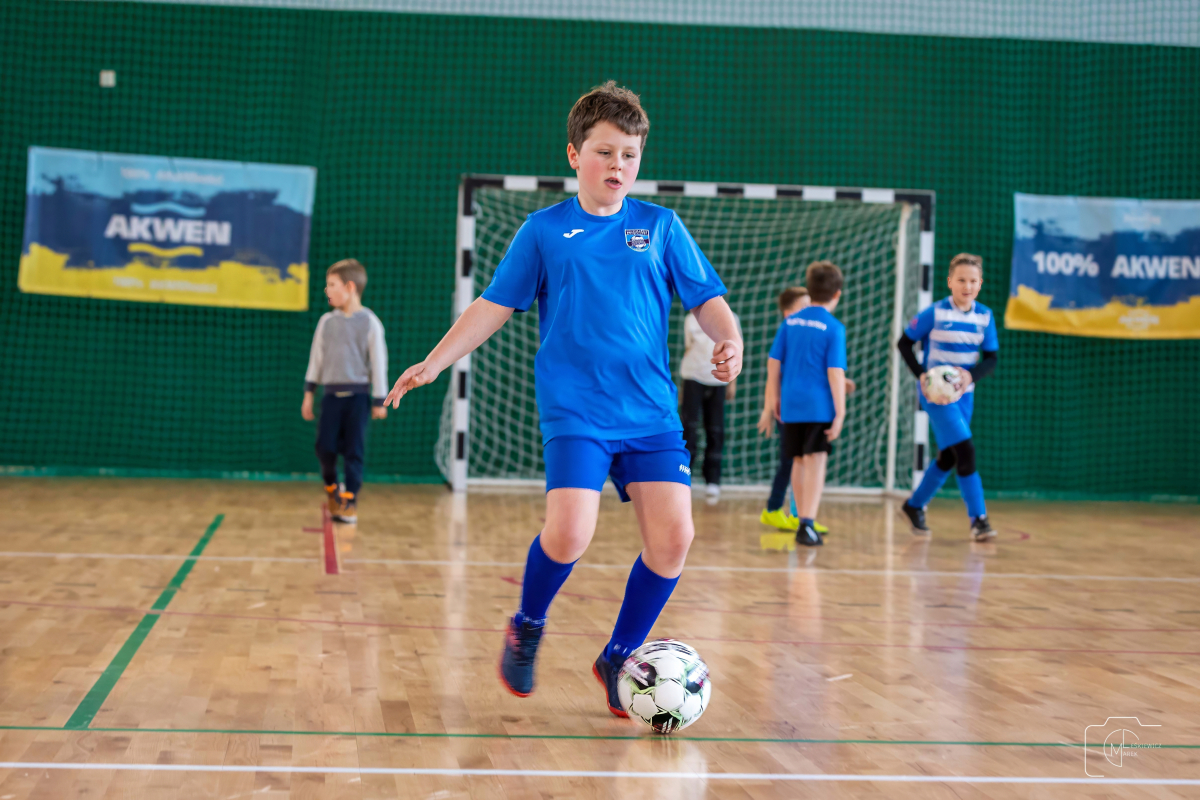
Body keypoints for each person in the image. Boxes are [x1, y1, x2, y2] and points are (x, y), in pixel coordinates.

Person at [383, 82, 742, 715]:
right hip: (576, 410)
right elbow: (494, 304)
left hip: (650, 412)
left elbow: (706, 298)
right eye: (605, 152)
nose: (618, 166)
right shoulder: (543, 231)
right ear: (575, 154)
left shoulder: (660, 227)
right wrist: (435, 362)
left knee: (674, 539)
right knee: (571, 531)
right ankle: (527, 624)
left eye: (629, 155)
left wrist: (729, 338)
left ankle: (619, 655)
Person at [897, 253, 999, 542]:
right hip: (936, 396)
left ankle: (914, 505)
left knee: (949, 456)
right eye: (961, 280)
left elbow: (991, 358)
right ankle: (979, 519)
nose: (967, 286)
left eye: (973, 281)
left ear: (980, 284)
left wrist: (970, 377)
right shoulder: (935, 313)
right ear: (949, 282)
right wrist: (921, 375)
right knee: (966, 452)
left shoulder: (985, 316)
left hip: (965, 396)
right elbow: (904, 343)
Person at [757, 262, 847, 547]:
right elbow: (835, 373)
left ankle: (800, 523)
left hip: (790, 404)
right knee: (816, 461)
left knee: (797, 460)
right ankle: (807, 522)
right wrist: (841, 411)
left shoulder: (790, 322)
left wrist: (773, 400)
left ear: (810, 289)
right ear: (837, 294)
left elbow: (773, 364)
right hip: (818, 406)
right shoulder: (834, 327)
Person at [302, 259, 389, 524]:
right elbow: (316, 359)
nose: (327, 290)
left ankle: (350, 501)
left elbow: (378, 363)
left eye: (332, 285)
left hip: (358, 399)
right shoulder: (326, 322)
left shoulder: (370, 322)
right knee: (324, 448)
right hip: (330, 397)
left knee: (354, 450)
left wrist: (380, 399)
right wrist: (308, 394)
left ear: (350, 287)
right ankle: (333, 489)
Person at [680, 309, 741, 501]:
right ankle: (683, 478)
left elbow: (735, 352)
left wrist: (732, 381)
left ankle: (713, 481)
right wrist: (683, 385)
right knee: (688, 429)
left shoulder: (731, 318)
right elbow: (688, 348)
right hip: (692, 378)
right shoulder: (690, 319)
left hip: (718, 380)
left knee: (715, 430)